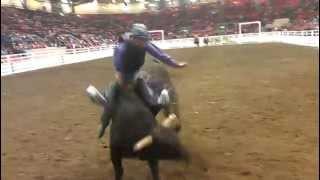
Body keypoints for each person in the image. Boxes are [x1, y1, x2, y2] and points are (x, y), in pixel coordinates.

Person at [98, 24, 187, 138]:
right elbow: (119, 68)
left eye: (145, 40)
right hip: (122, 76)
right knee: (112, 99)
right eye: (142, 40)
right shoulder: (122, 49)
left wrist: (176, 64)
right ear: (134, 38)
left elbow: (160, 55)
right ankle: (103, 124)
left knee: (150, 99)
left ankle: (158, 109)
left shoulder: (144, 44)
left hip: (136, 75)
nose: (144, 43)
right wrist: (123, 82)